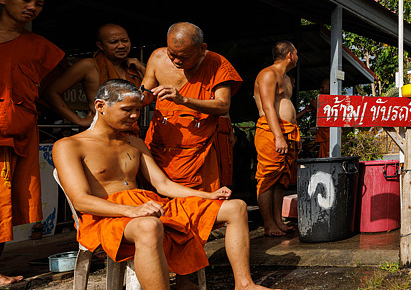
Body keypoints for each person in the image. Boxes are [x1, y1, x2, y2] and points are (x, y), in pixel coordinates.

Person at [53, 79, 276, 290]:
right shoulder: (69, 145)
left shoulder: (135, 143)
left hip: (146, 205)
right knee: (149, 225)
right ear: (100, 106)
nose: (134, 116)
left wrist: (207, 196)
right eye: (127, 109)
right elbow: (81, 201)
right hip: (104, 216)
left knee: (235, 207)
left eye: (138, 110)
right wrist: (132, 211)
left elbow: (163, 185)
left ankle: (244, 284)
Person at [0, 0, 65, 286]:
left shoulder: (40, 47)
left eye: (38, 3)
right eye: (26, 0)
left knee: (4, 203)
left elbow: (57, 88)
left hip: (18, 135)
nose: (32, 8)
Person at [143, 23, 242, 191]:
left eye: (184, 57)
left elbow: (223, 106)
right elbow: (145, 95)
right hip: (162, 142)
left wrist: (184, 100)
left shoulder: (217, 64)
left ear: (202, 48)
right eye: (172, 54)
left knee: (201, 204)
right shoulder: (157, 57)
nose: (176, 61)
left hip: (199, 149)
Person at [45, 23, 145, 128]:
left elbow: (151, 95)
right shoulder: (89, 65)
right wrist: (78, 120)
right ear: (100, 45)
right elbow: (50, 93)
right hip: (98, 131)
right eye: (113, 42)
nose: (121, 46)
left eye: (125, 41)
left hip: (130, 129)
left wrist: (142, 68)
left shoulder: (133, 67)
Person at [254, 42, 300, 237]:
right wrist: (278, 136)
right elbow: (268, 107)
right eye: (296, 53)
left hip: (287, 132)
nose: (298, 57)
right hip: (271, 132)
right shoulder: (268, 74)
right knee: (267, 178)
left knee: (281, 179)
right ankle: (268, 224)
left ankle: (277, 221)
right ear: (290, 55)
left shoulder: (287, 78)